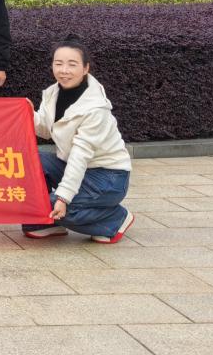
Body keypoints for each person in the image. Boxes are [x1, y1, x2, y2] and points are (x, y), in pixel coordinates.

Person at [22, 37, 135, 243]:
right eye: (58, 63)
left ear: (85, 68)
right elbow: (47, 130)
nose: (64, 70)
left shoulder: (95, 109)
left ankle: (114, 219)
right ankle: (48, 222)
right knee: (27, 161)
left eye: (72, 64)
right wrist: (30, 115)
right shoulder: (53, 92)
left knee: (46, 206)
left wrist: (63, 198)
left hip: (108, 177)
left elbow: (80, 156)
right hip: (73, 166)